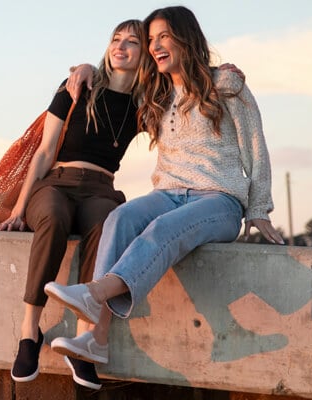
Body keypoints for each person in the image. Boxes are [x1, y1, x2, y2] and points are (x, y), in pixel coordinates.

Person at [43, 5, 285, 385]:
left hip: (217, 201)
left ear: (186, 39)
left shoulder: (226, 83)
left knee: (162, 229)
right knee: (120, 218)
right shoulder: (153, 94)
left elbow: (256, 146)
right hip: (168, 191)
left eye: (163, 37)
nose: (155, 45)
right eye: (151, 39)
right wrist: (85, 68)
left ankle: (95, 293)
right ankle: (96, 339)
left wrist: (258, 208)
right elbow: (114, 79)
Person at [0, 19, 145, 390]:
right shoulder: (79, 86)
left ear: (145, 54)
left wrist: (219, 71)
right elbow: (45, 152)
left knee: (108, 225)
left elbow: (185, 86)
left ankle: (82, 343)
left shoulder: (144, 105)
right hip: (56, 184)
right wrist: (18, 210)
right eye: (115, 39)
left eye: (132, 42)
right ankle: (30, 333)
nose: (120, 47)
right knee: (55, 219)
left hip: (101, 190)